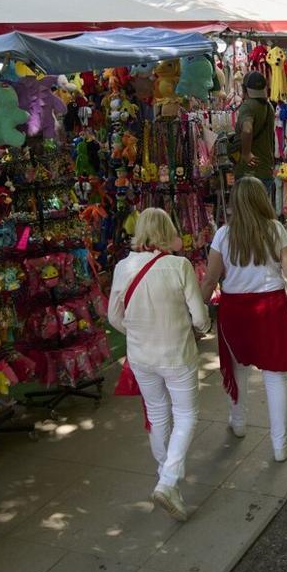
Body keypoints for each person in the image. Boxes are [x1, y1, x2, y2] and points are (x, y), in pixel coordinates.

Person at [200, 178, 287, 462]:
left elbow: (211, 278)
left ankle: (238, 422)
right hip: (270, 307)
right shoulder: (275, 229)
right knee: (275, 377)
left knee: (237, 368)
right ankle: (279, 444)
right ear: (262, 198)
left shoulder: (223, 235)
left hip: (234, 309)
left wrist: (197, 308)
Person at [109, 208, 210, 521]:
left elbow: (114, 317)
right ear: (168, 230)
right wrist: (203, 329)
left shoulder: (122, 267)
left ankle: (167, 480)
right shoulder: (179, 266)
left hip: (141, 357)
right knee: (186, 414)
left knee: (156, 414)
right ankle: (168, 481)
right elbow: (200, 317)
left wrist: (138, 332)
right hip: (177, 354)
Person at [234, 71, 277, 205]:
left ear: (245, 89)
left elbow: (247, 129)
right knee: (262, 215)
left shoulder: (248, 106)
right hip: (265, 169)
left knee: (249, 217)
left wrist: (246, 153)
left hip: (250, 174)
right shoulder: (268, 106)